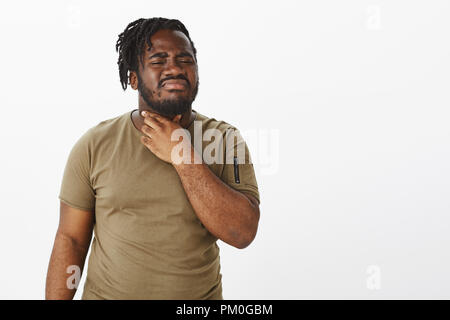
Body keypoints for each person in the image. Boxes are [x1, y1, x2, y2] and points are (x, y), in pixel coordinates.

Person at [45, 17, 260, 300]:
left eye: (185, 59)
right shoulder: (94, 145)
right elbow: (71, 240)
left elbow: (242, 233)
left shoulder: (223, 140)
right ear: (133, 78)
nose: (175, 68)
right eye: (159, 60)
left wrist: (182, 156)